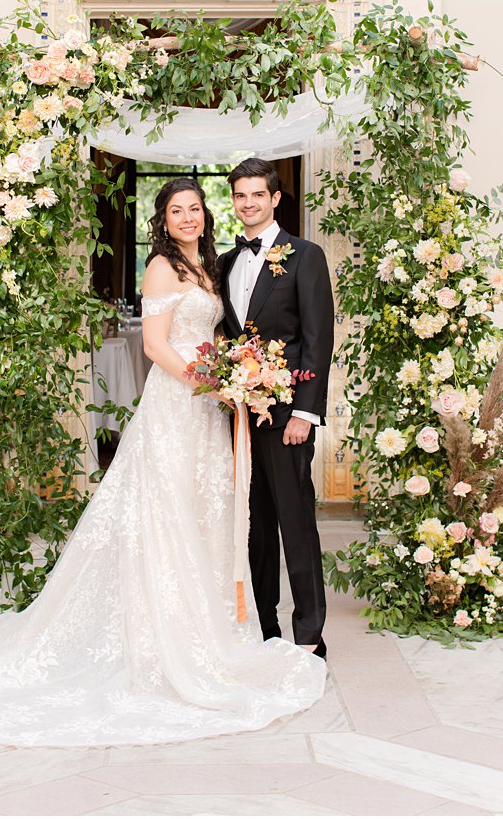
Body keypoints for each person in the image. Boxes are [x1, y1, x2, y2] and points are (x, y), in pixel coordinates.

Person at [0, 179, 325, 746]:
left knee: (209, 514)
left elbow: (278, 335)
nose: (187, 218)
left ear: (212, 214)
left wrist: (242, 385)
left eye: (195, 209)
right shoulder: (160, 267)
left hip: (214, 415)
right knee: (166, 513)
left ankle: (232, 626)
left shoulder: (212, 266)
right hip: (181, 406)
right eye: (176, 210)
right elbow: (154, 346)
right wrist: (214, 383)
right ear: (163, 218)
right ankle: (168, 636)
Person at [216, 158, 334, 656]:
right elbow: (226, 336)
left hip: (286, 417)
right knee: (254, 528)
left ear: (275, 198)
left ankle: (309, 636)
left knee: (296, 525)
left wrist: (304, 414)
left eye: (257, 195)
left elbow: (317, 338)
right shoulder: (224, 262)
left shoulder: (304, 256)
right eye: (240, 196)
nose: (248, 204)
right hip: (238, 418)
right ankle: (264, 631)